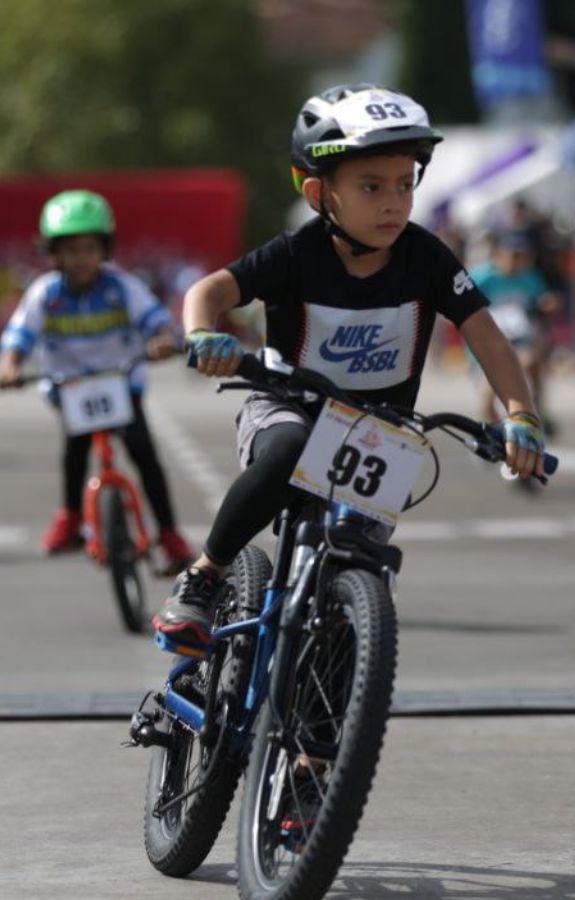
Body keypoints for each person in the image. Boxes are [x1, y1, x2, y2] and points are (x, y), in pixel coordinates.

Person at [151, 84, 546, 657]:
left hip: (379, 429)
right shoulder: (296, 253)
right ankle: (205, 576)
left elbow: (485, 334)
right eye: (371, 186)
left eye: (405, 184)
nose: (394, 202)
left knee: (358, 590)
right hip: (286, 406)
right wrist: (202, 334)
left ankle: (319, 744)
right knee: (289, 446)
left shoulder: (427, 258)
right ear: (320, 192)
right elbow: (210, 291)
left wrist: (522, 415)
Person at [0, 190, 194, 571]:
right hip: (70, 386)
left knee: (144, 455)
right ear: (53, 253)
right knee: (74, 452)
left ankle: (170, 536)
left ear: (104, 249)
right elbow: (19, 335)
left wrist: (163, 341)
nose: (80, 259)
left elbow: (157, 321)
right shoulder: (45, 294)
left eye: (89, 249)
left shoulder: (122, 287)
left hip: (121, 384)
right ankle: (70, 518)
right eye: (70, 250)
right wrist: (10, 364)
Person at [469, 228, 558, 425]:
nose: (517, 261)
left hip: (519, 338)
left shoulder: (529, 277)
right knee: (488, 391)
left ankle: (537, 408)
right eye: (513, 255)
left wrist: (547, 303)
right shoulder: (483, 277)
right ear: (498, 255)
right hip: (488, 340)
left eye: (522, 256)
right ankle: (492, 426)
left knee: (530, 361)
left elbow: (540, 300)